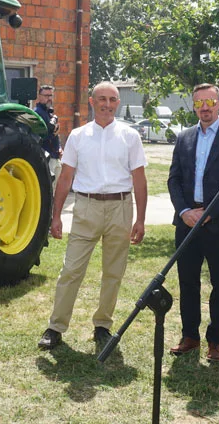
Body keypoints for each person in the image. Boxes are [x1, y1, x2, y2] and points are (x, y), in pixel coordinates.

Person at [38, 81, 148, 350]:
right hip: (86, 207)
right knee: (71, 269)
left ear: (118, 104)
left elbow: (140, 180)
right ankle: (56, 326)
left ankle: (103, 325)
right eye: (102, 99)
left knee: (113, 272)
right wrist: (56, 216)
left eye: (112, 99)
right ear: (92, 101)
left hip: (120, 208)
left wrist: (140, 219)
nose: (107, 104)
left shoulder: (130, 137)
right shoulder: (77, 136)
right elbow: (65, 178)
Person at [166, 83, 219, 362]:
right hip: (187, 223)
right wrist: (184, 211)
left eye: (210, 102)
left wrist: (209, 213)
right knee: (187, 282)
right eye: (199, 102)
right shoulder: (184, 137)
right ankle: (190, 336)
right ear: (193, 105)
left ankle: (216, 341)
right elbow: (173, 179)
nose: (204, 107)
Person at [35, 84, 62, 181]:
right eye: (46, 96)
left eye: (51, 95)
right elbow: (38, 137)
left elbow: (54, 133)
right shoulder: (37, 113)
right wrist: (53, 134)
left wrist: (59, 147)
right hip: (46, 158)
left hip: (55, 157)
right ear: (39, 97)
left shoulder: (49, 112)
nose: (49, 98)